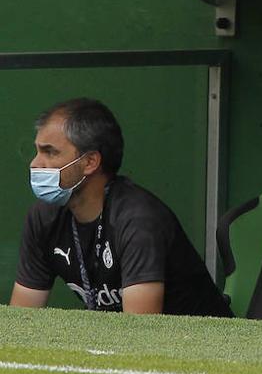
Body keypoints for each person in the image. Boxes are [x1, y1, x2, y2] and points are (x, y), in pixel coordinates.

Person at [9, 98, 232, 317]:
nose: (35, 164)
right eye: (37, 151)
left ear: (90, 162)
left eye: (50, 152)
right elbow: (24, 321)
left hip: (198, 348)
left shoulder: (138, 220)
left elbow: (138, 334)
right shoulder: (43, 217)